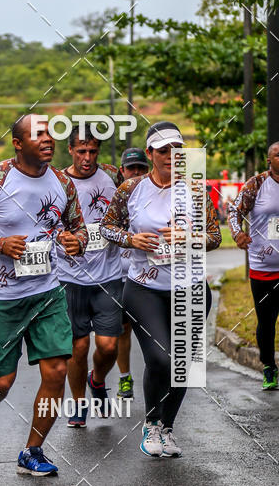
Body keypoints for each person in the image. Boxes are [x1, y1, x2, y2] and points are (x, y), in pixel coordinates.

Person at [0, 115, 88, 477]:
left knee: (57, 371)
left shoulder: (61, 182)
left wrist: (77, 241)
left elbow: (78, 229)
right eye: (37, 134)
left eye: (49, 134)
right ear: (17, 142)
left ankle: (32, 451)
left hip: (47, 292)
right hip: (1, 298)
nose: (47, 139)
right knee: (2, 382)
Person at [101, 121, 221, 458]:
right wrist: (131, 238)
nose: (171, 156)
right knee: (160, 358)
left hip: (191, 287)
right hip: (145, 287)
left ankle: (166, 429)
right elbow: (108, 227)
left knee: (184, 364)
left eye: (177, 150)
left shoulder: (196, 189)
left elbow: (214, 237)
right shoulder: (131, 189)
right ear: (151, 153)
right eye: (164, 150)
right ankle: (151, 423)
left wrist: (190, 238)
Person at [56, 127, 123, 428]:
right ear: (70, 150)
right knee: (78, 346)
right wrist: (61, 236)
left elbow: (129, 209)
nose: (87, 158)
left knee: (109, 346)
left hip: (108, 274)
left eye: (92, 151)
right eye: (81, 151)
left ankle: (97, 381)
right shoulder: (56, 180)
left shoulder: (112, 176)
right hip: (69, 275)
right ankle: (79, 402)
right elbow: (44, 220)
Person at [228, 141, 279, 389]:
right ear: (269, 160)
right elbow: (234, 212)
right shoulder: (256, 184)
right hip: (264, 267)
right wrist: (237, 233)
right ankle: (268, 366)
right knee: (266, 321)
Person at [115, 148, 149, 399]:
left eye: (141, 168)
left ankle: (156, 373)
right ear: (122, 171)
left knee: (151, 329)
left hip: (146, 276)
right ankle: (125, 378)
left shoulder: (156, 193)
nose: (136, 173)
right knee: (122, 330)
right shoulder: (114, 196)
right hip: (117, 274)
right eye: (131, 168)